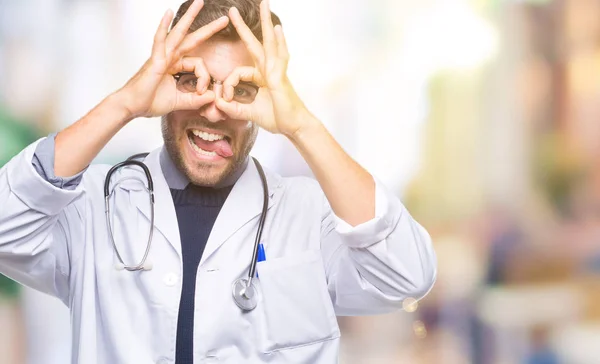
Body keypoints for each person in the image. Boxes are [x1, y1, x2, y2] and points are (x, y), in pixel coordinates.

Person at [0, 0, 437, 362]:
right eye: (191, 81)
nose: (213, 109)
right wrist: (125, 103)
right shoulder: (96, 206)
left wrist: (301, 125)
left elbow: (406, 275)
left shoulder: (307, 217)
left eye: (241, 90)